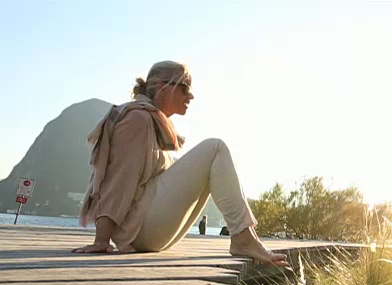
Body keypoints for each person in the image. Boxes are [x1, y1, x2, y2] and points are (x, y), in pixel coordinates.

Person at [72, 61, 287, 267]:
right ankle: (243, 238)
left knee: (213, 158)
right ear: (163, 88)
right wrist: (102, 239)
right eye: (184, 88)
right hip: (141, 229)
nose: (191, 95)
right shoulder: (136, 119)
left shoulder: (150, 120)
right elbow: (117, 180)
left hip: (147, 231)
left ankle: (244, 237)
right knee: (215, 148)